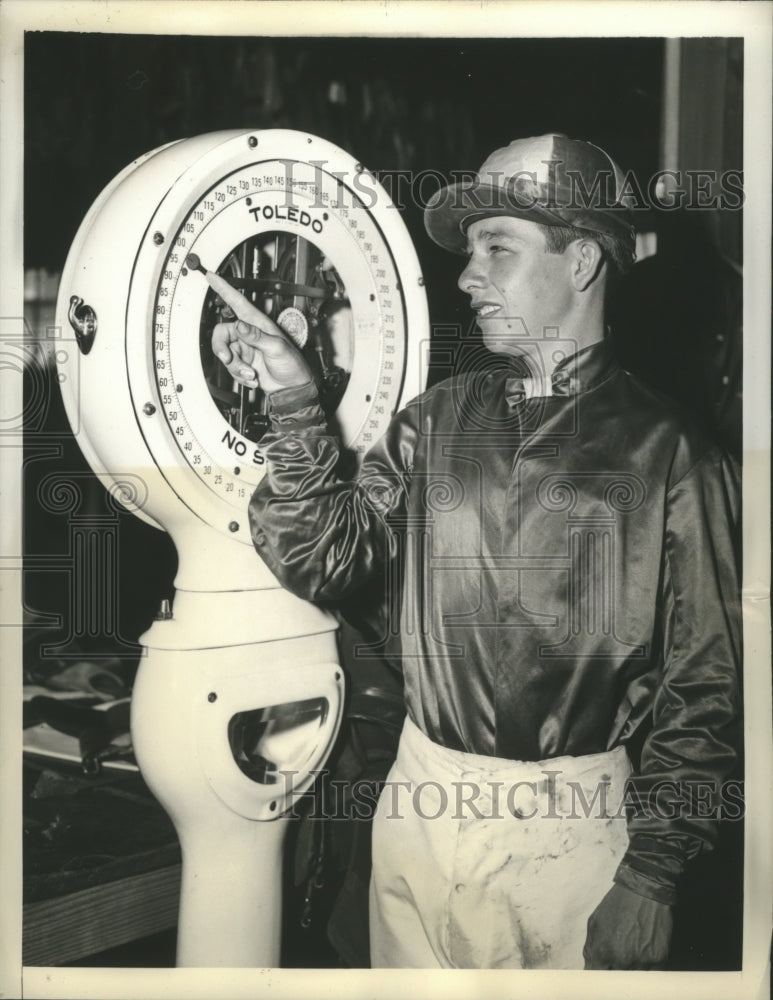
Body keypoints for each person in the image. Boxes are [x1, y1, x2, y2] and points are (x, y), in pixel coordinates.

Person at [211, 134, 741, 970]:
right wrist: (290, 397)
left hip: (573, 840)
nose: (466, 276)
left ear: (582, 262)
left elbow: (706, 683)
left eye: (499, 247)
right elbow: (321, 558)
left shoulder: (673, 454)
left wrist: (653, 872)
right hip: (418, 813)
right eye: (468, 252)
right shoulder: (433, 423)